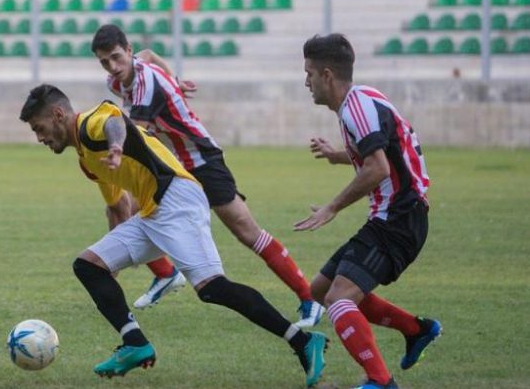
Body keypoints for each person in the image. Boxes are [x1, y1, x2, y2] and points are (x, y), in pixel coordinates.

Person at [18, 84, 328, 385]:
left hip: (176, 198)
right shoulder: (87, 160)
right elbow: (118, 207)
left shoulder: (90, 124)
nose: (39, 137)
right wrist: (113, 260)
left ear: (58, 114)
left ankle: (303, 341)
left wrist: (115, 146)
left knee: (213, 288)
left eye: (38, 127)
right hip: (153, 212)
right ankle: (135, 343)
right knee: (88, 265)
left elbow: (114, 121)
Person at [90, 24, 324, 328]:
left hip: (201, 159)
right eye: (105, 62)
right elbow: (151, 53)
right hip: (172, 166)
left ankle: (309, 299)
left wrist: (100, 146)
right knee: (122, 209)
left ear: (128, 50)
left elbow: (136, 135)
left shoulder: (146, 85)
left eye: (116, 57)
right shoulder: (121, 78)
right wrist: (174, 80)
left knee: (246, 232)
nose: (112, 66)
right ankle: (160, 275)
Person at [295, 33, 442, 389]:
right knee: (320, 289)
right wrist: (337, 156)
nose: (306, 81)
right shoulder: (363, 100)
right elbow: (386, 150)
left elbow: (378, 168)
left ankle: (380, 381)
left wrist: (332, 207)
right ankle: (416, 330)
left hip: (398, 219)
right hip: (394, 216)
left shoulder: (356, 108)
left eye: (310, 73)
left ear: (327, 75)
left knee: (338, 299)